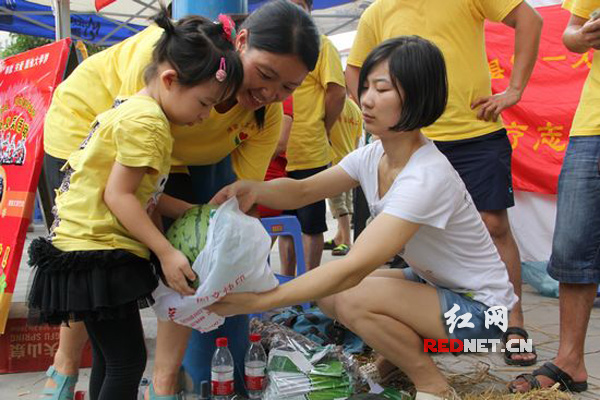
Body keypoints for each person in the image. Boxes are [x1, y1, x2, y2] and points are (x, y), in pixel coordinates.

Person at [37, 1, 320, 399]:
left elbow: (235, 191)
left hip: (158, 168)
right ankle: (63, 371)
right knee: (99, 280)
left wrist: (208, 223)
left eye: (288, 88)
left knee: (134, 317)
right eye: (267, 74)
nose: (271, 93)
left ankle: (164, 384)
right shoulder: (166, 71)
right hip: (87, 146)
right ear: (241, 41)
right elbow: (117, 192)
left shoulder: (256, 113)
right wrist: (162, 248)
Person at [209, 36, 518, 400]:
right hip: (439, 292)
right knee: (328, 295)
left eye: (382, 89)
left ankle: (432, 385)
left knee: (349, 292)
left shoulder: (425, 176)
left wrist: (259, 301)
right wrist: (254, 189)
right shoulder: (374, 156)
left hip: (485, 321)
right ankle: (394, 363)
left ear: (418, 96)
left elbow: (352, 268)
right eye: (366, 85)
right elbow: (304, 191)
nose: (366, 99)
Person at [28, 8, 243, 400]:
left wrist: (197, 213)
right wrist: (165, 251)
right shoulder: (149, 123)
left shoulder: (135, 107)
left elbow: (147, 194)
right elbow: (119, 196)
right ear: (170, 80)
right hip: (97, 251)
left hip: (84, 249)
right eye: (204, 103)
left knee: (114, 359)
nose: (205, 116)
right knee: (127, 361)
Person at [344, 0, 542, 368]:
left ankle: (511, 326)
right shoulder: (376, 11)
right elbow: (355, 68)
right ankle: (415, 344)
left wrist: (514, 90)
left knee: (494, 226)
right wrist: (379, 114)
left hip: (475, 133)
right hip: (409, 139)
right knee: (399, 240)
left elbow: (530, 19)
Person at [509, 0, 600, 393]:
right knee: (573, 241)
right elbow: (570, 34)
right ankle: (570, 362)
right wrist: (583, 36)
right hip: (593, 122)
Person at [278, 0, 347, 273]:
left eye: (298, 4)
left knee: (311, 225)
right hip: (277, 154)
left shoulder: (321, 44)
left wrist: (324, 126)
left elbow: (337, 91)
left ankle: (310, 288)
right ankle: (286, 282)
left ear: (308, 8)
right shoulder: (276, 43)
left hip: (309, 151)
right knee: (285, 225)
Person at [324, 97, 363, 256]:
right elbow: (357, 139)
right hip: (349, 160)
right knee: (346, 202)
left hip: (335, 161)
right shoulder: (355, 109)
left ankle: (346, 241)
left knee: (338, 204)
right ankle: (339, 237)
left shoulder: (330, 104)